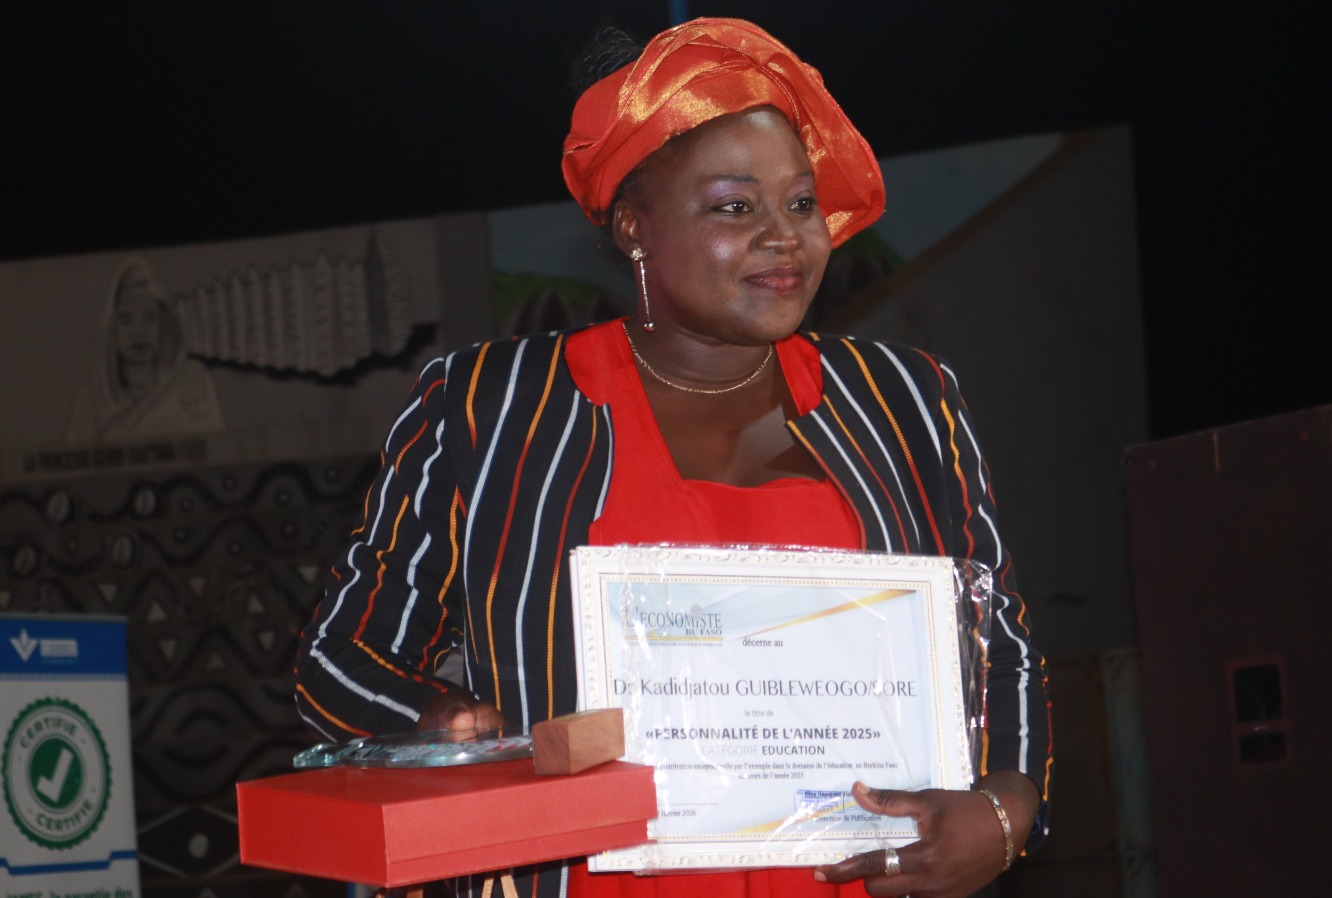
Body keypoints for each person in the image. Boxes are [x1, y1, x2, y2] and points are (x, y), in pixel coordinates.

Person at [294, 18, 1051, 898]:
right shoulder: (492, 408)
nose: (785, 236)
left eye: (801, 204)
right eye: (736, 207)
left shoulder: (905, 401)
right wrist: (437, 723)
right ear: (633, 227)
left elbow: (998, 643)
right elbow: (340, 658)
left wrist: (1006, 810)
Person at [65, 257, 225, 444]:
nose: (139, 332)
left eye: (150, 318)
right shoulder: (90, 403)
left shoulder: (193, 386)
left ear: (163, 326)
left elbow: (216, 450)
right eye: (126, 321)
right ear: (112, 331)